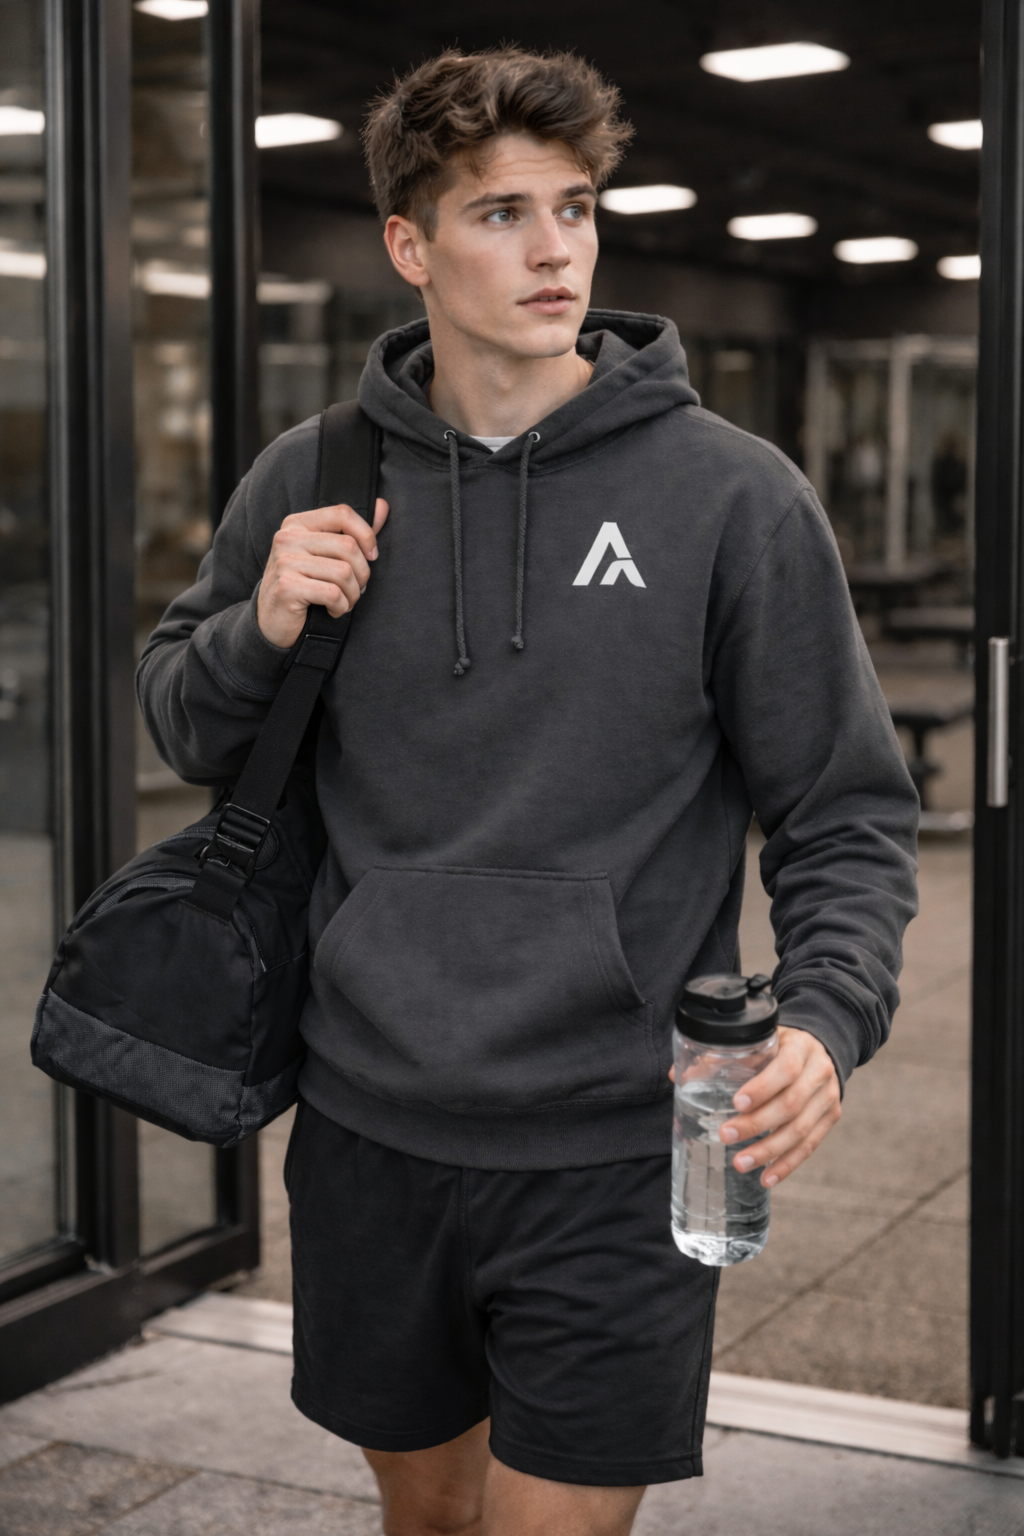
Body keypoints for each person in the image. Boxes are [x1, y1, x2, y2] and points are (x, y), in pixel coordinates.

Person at [138, 47, 919, 1536]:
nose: (554, 246)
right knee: (427, 1523)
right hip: (370, 1131)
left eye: (575, 206)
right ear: (409, 245)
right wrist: (262, 628)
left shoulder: (731, 497)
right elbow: (183, 720)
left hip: (621, 1147)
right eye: (500, 213)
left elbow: (844, 811)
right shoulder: (314, 471)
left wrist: (826, 1012)